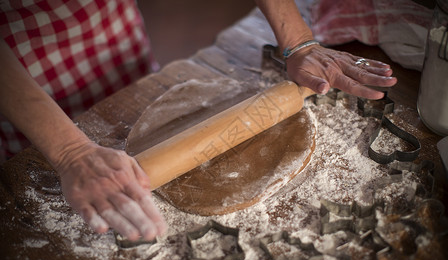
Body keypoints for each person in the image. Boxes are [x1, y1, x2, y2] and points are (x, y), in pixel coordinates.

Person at [0, 0, 397, 242]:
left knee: (134, 94)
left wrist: (298, 40)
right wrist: (69, 151)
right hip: (17, 81)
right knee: (28, 174)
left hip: (105, 29)